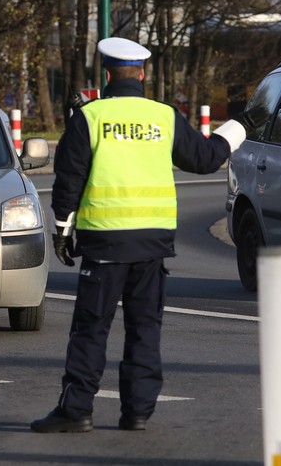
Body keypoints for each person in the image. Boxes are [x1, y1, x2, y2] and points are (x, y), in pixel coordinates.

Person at [30, 37, 246, 434]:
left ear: (107, 74)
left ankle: (77, 409)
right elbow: (204, 159)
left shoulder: (91, 117)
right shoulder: (164, 116)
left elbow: (69, 181)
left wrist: (62, 232)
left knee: (91, 329)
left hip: (106, 243)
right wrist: (238, 127)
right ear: (143, 74)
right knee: (145, 328)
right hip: (152, 245)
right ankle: (138, 412)